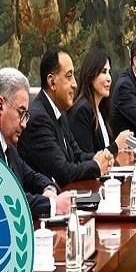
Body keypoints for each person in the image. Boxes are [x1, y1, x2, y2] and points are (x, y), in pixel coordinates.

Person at [0, 68, 72, 217]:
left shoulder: (6, 141)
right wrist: (53, 205)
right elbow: (5, 199)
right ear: (1, 105)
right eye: (20, 112)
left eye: (26, 115)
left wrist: (49, 188)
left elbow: (30, 176)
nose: (24, 124)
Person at [19, 49, 113, 186]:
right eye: (69, 76)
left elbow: (77, 155)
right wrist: (97, 165)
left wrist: (99, 157)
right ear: (52, 82)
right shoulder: (39, 118)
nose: (75, 84)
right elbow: (63, 172)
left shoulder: (59, 111)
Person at [68, 48, 133, 156]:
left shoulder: (101, 109)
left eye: (109, 72)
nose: (109, 78)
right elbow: (88, 159)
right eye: (103, 72)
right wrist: (116, 145)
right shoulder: (82, 110)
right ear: (91, 75)